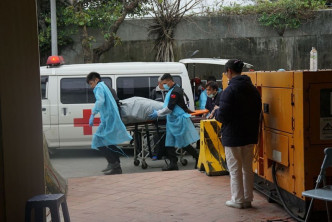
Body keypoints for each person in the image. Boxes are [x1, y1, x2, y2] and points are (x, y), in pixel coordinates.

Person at [215, 59, 262, 209]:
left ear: (229, 71)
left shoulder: (229, 90)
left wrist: (216, 112)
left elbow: (223, 116)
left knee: (235, 168)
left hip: (233, 135)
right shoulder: (252, 89)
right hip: (249, 134)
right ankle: (248, 198)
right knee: (247, 168)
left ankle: (238, 199)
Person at [149, 73, 200, 171]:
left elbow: (169, 108)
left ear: (169, 81)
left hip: (178, 120)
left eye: (164, 83)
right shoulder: (171, 90)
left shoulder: (175, 91)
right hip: (172, 120)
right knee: (169, 142)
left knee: (182, 142)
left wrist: (158, 113)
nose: (163, 85)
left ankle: (197, 156)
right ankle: (173, 163)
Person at [87, 72, 132, 175]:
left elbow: (100, 101)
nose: (91, 86)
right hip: (112, 118)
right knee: (110, 142)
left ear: (96, 80)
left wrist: (93, 114)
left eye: (91, 83)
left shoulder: (99, 87)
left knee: (98, 141)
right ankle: (116, 166)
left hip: (109, 119)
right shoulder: (107, 87)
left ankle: (113, 163)